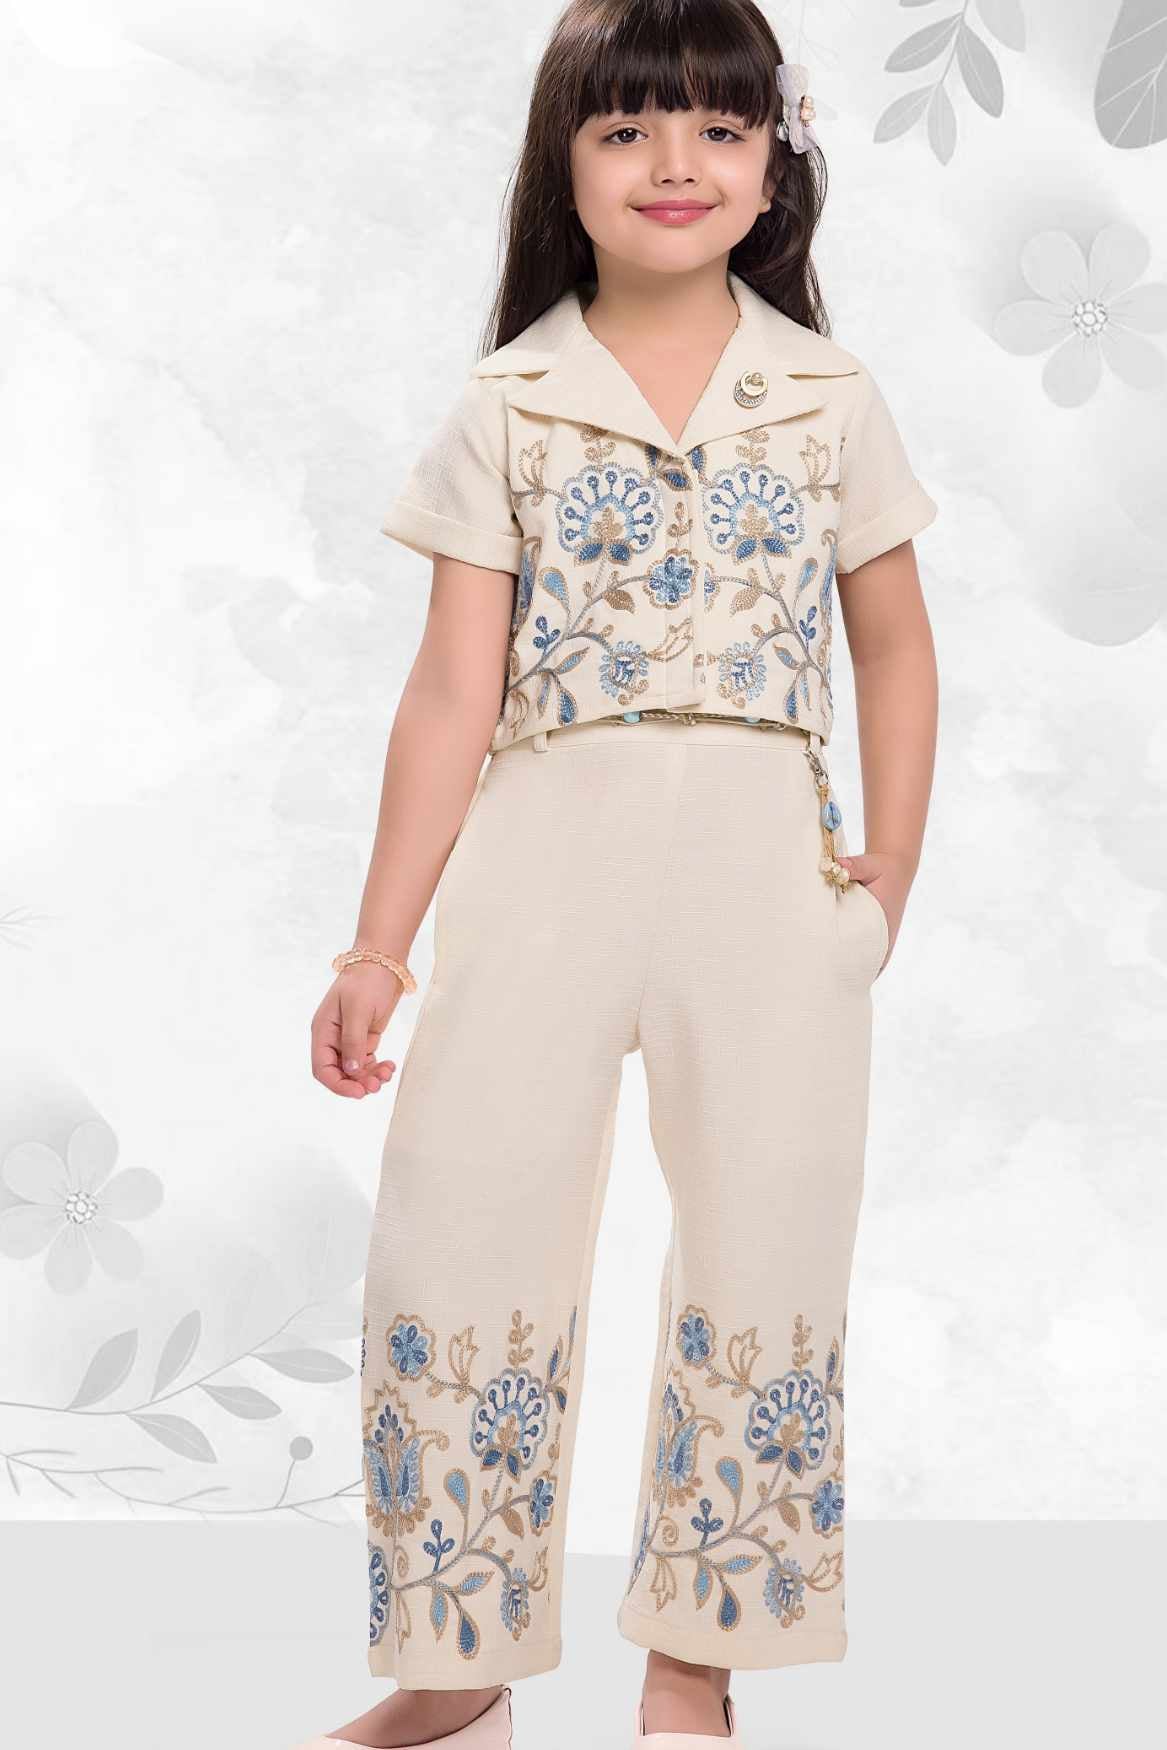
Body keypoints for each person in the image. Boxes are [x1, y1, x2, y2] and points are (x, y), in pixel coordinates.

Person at [299, 3, 939, 1746]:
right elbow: (449, 693)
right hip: (541, 863)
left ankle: (695, 1659)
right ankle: (457, 1659)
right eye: (629, 128)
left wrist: (886, 877)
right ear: (562, 164)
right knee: (458, 1229)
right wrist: (377, 944)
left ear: (774, 162)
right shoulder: (512, 399)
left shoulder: (827, 394)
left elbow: (894, 646)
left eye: (721, 129)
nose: (676, 163)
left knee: (766, 1238)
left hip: (765, 880)